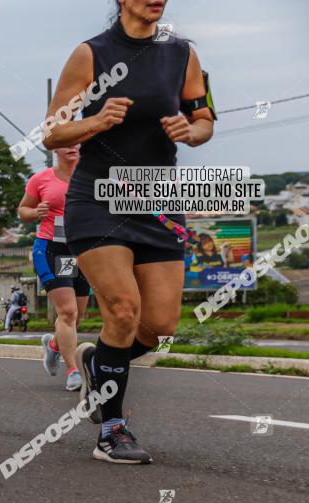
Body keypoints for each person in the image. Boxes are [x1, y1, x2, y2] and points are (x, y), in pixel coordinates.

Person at [44, 0, 214, 464]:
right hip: (97, 199)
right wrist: (95, 121)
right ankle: (112, 429)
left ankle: (99, 362)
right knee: (122, 309)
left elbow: (205, 121)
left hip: (157, 199)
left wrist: (190, 130)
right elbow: (52, 134)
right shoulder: (90, 55)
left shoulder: (182, 54)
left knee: (158, 326)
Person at [18, 146, 90, 391]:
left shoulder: (91, 174)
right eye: (66, 142)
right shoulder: (41, 179)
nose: (72, 147)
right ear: (56, 146)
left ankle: (53, 346)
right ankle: (73, 372)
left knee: (77, 315)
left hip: (83, 250)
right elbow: (23, 210)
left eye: (77, 142)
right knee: (67, 312)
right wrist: (34, 212)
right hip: (52, 249)